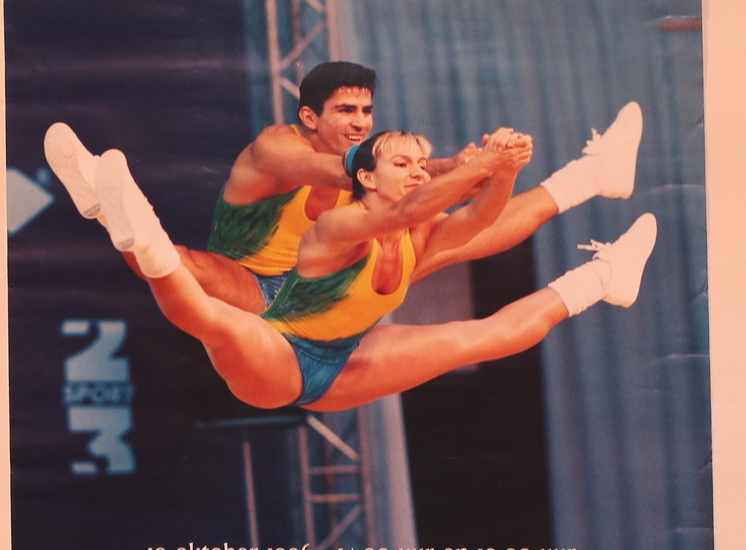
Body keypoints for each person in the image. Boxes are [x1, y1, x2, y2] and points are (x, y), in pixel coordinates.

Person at [56, 128, 657, 413]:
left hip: (345, 353)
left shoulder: (420, 229)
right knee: (219, 321)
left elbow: (480, 218)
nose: (419, 172)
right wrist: (482, 164)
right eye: (404, 164)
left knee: (479, 337)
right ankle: (135, 229)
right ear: (365, 178)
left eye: (422, 165)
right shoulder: (339, 227)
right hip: (288, 365)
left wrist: (505, 170)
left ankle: (604, 277)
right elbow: (410, 208)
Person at [44, 61, 644, 310]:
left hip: (335, 268)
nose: (359, 122)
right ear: (309, 117)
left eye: (365, 111)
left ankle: (592, 175)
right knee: (184, 264)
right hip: (261, 285)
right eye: (345, 112)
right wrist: (464, 168)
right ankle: (113, 212)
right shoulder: (275, 149)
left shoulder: (368, 159)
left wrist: (468, 164)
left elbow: (391, 183)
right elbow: (349, 175)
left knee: (454, 234)